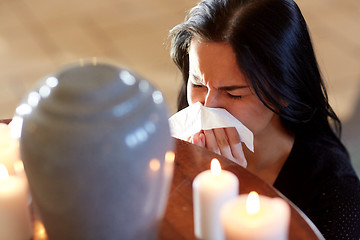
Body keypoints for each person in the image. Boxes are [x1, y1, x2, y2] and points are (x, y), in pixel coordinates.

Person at [169, 0, 360, 239]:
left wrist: (228, 197)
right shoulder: (176, 147)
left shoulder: (334, 195)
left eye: (233, 93)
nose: (206, 105)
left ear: (284, 92)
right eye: (197, 84)